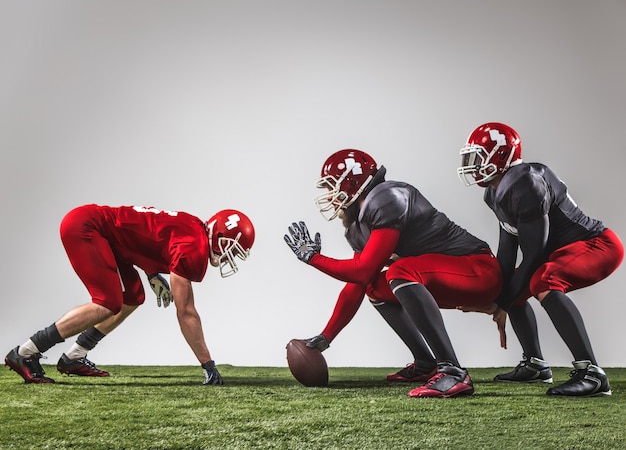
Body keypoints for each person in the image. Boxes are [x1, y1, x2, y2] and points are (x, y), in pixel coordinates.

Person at [284, 149, 502, 398]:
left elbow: (362, 269)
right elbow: (360, 280)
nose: (330, 196)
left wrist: (314, 258)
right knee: (374, 287)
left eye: (332, 187)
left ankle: (453, 372)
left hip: (478, 270)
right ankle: (425, 364)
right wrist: (326, 336)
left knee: (399, 271)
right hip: (443, 278)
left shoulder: (386, 197)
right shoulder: (357, 227)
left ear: (352, 182)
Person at [458, 122, 623, 397]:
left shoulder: (525, 182)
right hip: (562, 251)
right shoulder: (494, 192)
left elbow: (535, 253)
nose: (472, 165)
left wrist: (503, 302)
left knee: (544, 280)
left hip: (597, 245)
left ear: (499, 156)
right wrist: (499, 293)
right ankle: (535, 365)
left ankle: (592, 374)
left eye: (478, 157)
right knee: (512, 281)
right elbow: (508, 248)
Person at [5, 204, 255, 385]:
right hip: (88, 227)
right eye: (231, 249)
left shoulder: (194, 227)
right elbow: (186, 312)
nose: (229, 257)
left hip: (102, 232)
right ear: (220, 237)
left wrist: (151, 274)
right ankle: (25, 352)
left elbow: (147, 235)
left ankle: (75, 356)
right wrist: (208, 365)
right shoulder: (194, 249)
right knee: (107, 302)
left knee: (133, 296)